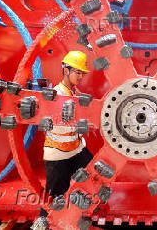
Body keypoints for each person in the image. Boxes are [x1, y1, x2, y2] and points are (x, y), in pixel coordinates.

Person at [32, 51, 93, 230]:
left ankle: (78, 215)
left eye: (82, 73)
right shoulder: (57, 94)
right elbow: (57, 121)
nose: (80, 76)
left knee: (92, 175)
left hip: (76, 149)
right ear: (66, 70)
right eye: (77, 72)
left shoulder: (74, 91)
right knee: (54, 192)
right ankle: (44, 220)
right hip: (58, 154)